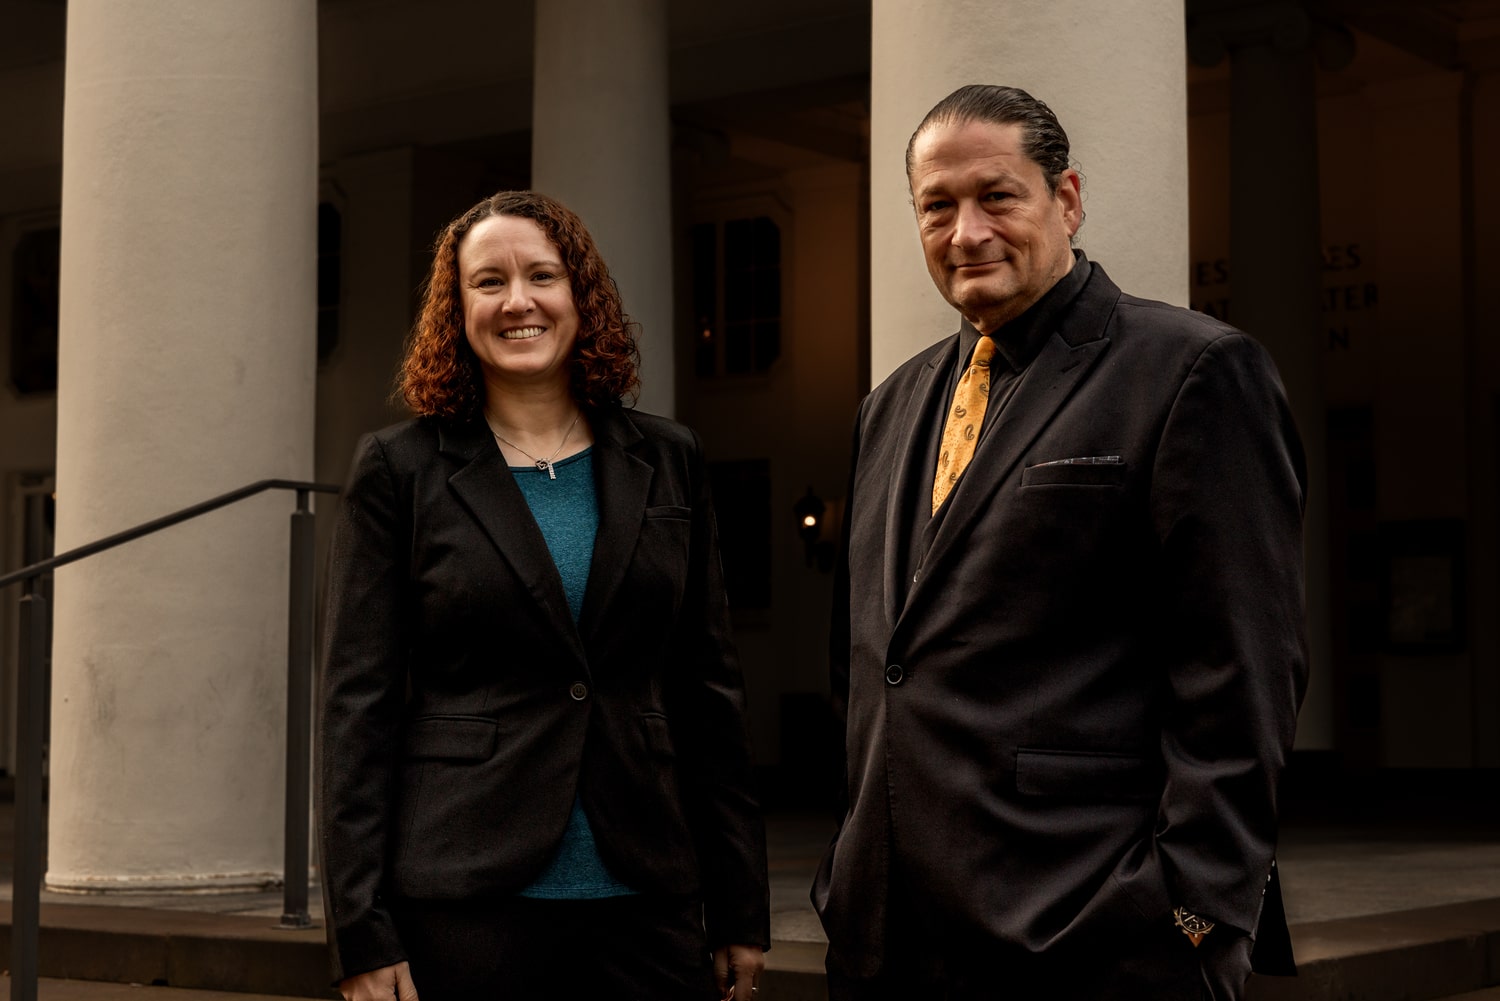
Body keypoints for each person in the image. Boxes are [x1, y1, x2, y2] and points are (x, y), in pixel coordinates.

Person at [812, 85, 1308, 1000]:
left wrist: (1193, 911)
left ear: (1067, 199)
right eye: (937, 206)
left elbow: (1243, 671)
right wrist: (847, 871)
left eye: (997, 196)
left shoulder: (1193, 370)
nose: (966, 232)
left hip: (1095, 938)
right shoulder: (889, 408)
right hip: (887, 938)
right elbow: (873, 667)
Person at [319, 190, 769, 1001]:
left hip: (650, 897)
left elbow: (709, 692)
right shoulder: (400, 470)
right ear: (456, 310)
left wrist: (741, 903)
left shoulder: (669, 459)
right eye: (488, 282)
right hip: (465, 903)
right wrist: (359, 924)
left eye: (542, 275)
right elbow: (359, 708)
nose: (517, 300)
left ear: (579, 296)